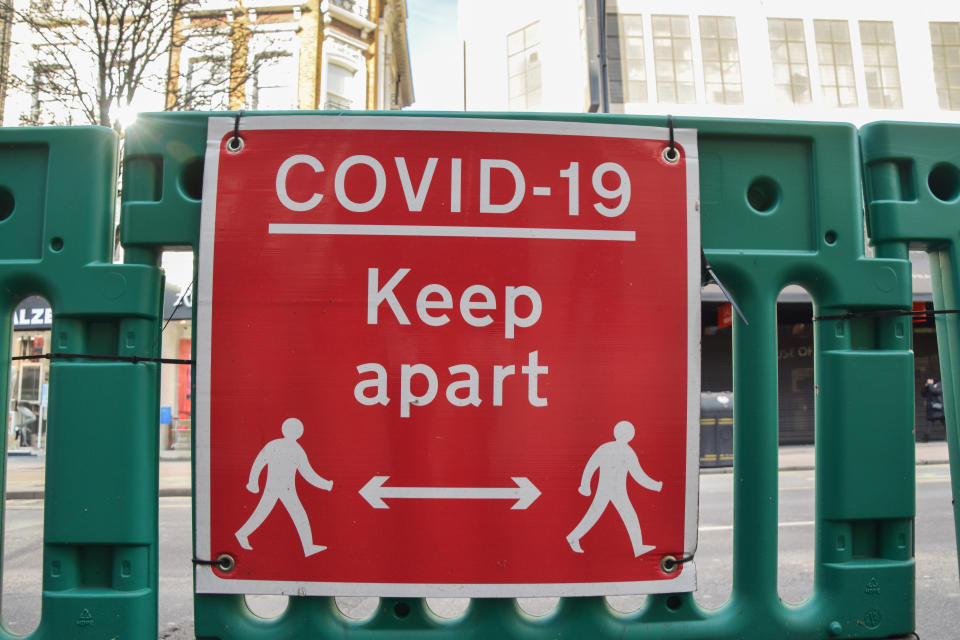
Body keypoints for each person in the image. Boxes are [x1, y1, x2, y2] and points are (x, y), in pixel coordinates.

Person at [235, 417, 333, 557]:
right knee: (281, 513)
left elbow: (307, 473)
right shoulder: (284, 447)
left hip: (285, 489)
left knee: (291, 514)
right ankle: (242, 534)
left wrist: (325, 484)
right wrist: (326, 485)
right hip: (277, 488)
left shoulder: (287, 447)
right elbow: (259, 463)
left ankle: (308, 547)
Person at [567, 420, 663, 557]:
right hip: (611, 490)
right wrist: (656, 486)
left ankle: (638, 547)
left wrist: (585, 485)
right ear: (631, 435)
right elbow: (638, 475)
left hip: (615, 490)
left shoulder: (607, 448)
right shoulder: (626, 451)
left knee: (623, 515)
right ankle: (572, 538)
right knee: (600, 515)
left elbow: (590, 466)